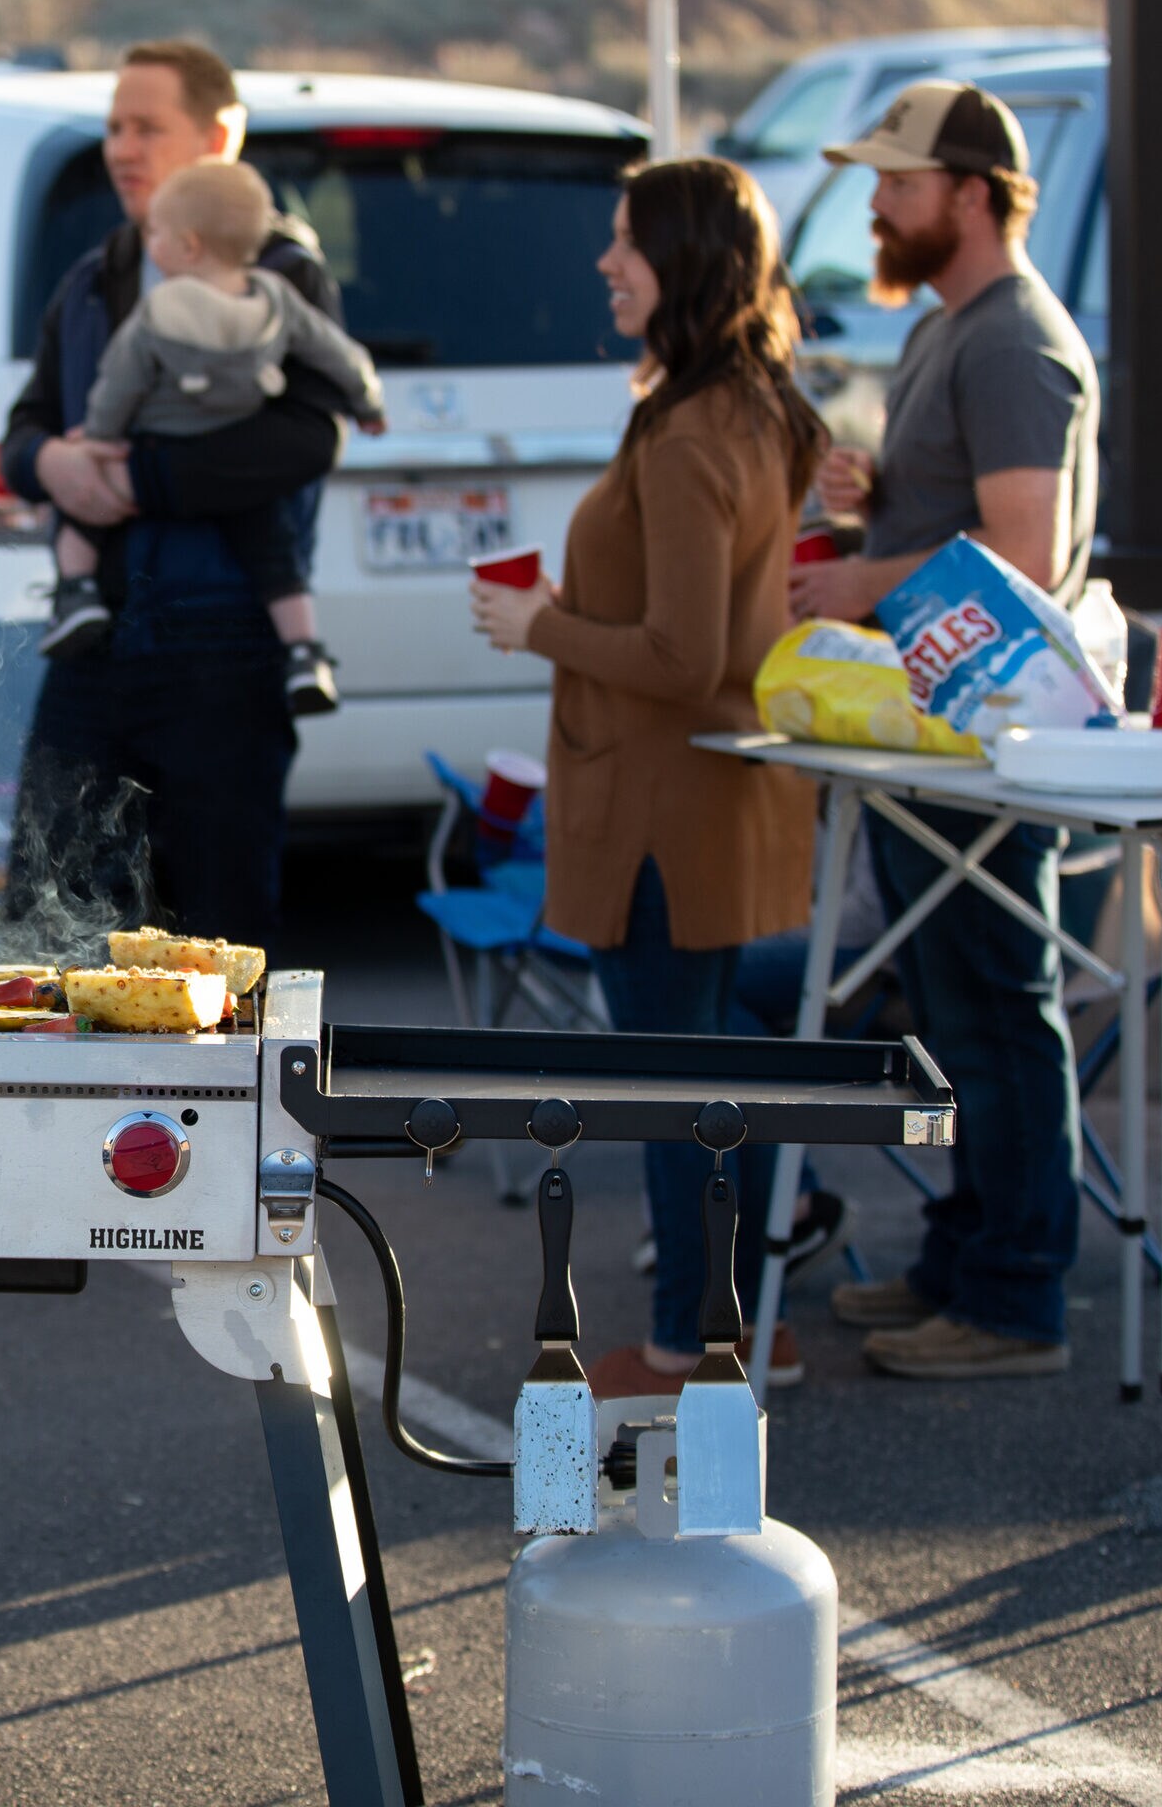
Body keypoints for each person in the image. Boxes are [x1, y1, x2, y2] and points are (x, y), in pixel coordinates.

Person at [469, 156, 822, 1397]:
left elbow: (683, 656)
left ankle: (695, 1342)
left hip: (668, 810)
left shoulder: (691, 433)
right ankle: (745, 1318)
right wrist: (570, 613)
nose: (606, 261)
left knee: (679, 1084)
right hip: (704, 799)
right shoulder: (739, 405)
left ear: (688, 265)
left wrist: (541, 629)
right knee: (716, 1065)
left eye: (628, 241)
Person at [790, 80, 1098, 1380]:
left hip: (992, 743)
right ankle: (964, 1262)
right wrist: (873, 511)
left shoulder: (1011, 340)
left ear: (972, 195)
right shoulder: (950, 332)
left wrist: (866, 577)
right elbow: (956, 529)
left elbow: (1018, 559)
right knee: (955, 1006)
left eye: (897, 184)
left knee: (996, 1009)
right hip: (942, 734)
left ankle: (1016, 1298)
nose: (874, 204)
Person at [0, 41, 349, 948]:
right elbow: (24, 429)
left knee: (217, 940)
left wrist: (139, 479)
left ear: (221, 135)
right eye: (115, 126)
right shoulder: (93, 277)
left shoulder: (283, 275)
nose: (122, 147)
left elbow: (310, 436)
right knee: (48, 926)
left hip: (223, 649)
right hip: (91, 644)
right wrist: (51, 466)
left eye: (148, 127)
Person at [49, 158, 380, 724]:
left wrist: (97, 439)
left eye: (156, 233)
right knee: (277, 561)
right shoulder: (275, 298)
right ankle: (304, 653)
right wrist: (367, 402)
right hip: (241, 453)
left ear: (189, 246)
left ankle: (75, 592)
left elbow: (119, 380)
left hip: (160, 437)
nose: (147, 242)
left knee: (86, 516)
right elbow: (335, 353)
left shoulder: (162, 307)